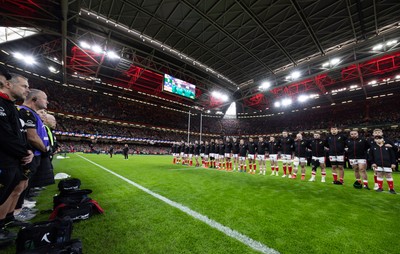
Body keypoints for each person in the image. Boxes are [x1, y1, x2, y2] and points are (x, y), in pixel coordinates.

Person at [0, 70, 33, 242]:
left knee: (11, 191)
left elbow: (19, 135)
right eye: (24, 86)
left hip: (15, 159)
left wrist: (27, 151)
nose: (27, 90)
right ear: (8, 84)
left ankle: (6, 221)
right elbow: (4, 136)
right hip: (5, 159)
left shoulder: (11, 106)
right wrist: (25, 151)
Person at [15, 89, 49, 221]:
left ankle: (16, 211)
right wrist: (45, 149)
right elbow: (32, 137)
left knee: (22, 185)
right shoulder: (26, 112)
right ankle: (14, 214)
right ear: (34, 99)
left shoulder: (32, 114)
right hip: (29, 155)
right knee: (18, 187)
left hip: (33, 154)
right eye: (45, 98)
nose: (47, 101)